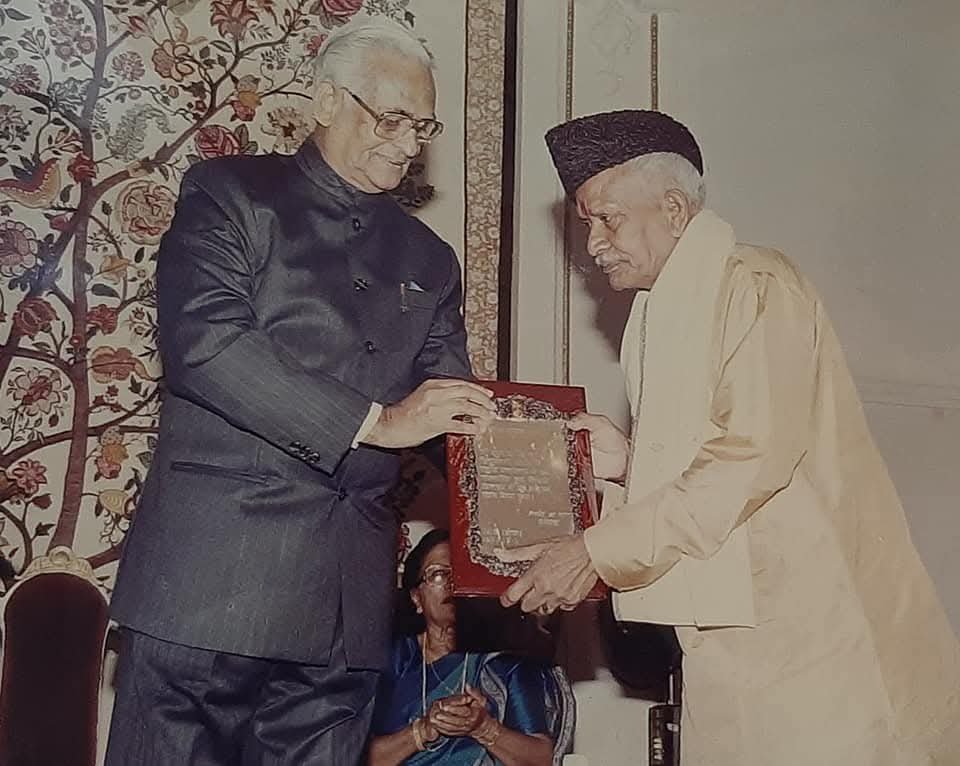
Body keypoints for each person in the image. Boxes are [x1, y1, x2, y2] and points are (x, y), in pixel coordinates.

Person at [500, 109, 960, 765]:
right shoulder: (660, 314)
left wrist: (595, 552)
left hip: (813, 636)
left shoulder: (756, 284)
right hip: (729, 642)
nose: (595, 243)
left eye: (608, 219)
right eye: (587, 225)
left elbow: (749, 461)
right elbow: (719, 460)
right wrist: (628, 467)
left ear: (675, 209)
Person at [105, 18, 496, 766]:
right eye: (391, 118)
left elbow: (456, 413)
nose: (409, 143)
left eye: (423, 124)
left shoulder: (429, 257)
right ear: (323, 102)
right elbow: (208, 346)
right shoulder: (228, 193)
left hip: (344, 623)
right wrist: (378, 421)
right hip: (210, 590)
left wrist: (545, 513)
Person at [367, 529, 571, 766]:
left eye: (462, 574)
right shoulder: (391, 659)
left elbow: (541, 759)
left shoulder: (503, 664)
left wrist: (484, 728)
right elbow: (351, 755)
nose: (452, 584)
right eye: (437, 575)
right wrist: (423, 730)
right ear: (416, 598)